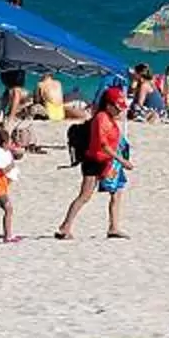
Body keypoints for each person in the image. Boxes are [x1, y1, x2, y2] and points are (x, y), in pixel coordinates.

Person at [54, 84, 131, 240]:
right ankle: (65, 227)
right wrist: (121, 160)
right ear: (108, 105)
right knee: (85, 196)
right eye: (117, 107)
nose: (119, 111)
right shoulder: (101, 118)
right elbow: (103, 144)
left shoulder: (109, 118)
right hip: (94, 161)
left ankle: (113, 227)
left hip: (107, 161)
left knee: (117, 192)